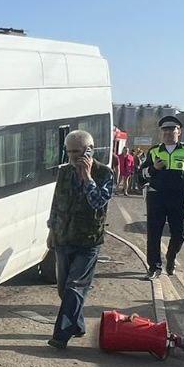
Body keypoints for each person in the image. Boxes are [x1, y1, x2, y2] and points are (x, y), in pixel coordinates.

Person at [45, 129, 115, 349]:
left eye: (77, 151)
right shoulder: (64, 172)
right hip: (63, 237)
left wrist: (87, 179)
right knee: (63, 290)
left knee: (75, 287)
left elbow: (98, 203)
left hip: (88, 241)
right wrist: (50, 230)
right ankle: (78, 325)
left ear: (89, 150)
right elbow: (57, 203)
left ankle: (60, 336)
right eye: (69, 152)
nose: (72, 156)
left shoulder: (105, 173)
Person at [137, 116, 184, 278]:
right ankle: (154, 267)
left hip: (178, 197)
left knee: (179, 234)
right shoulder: (154, 151)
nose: (168, 133)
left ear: (179, 132)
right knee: (154, 233)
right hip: (156, 197)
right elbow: (141, 175)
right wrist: (153, 168)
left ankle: (171, 257)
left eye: (171, 130)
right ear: (161, 133)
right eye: (165, 130)